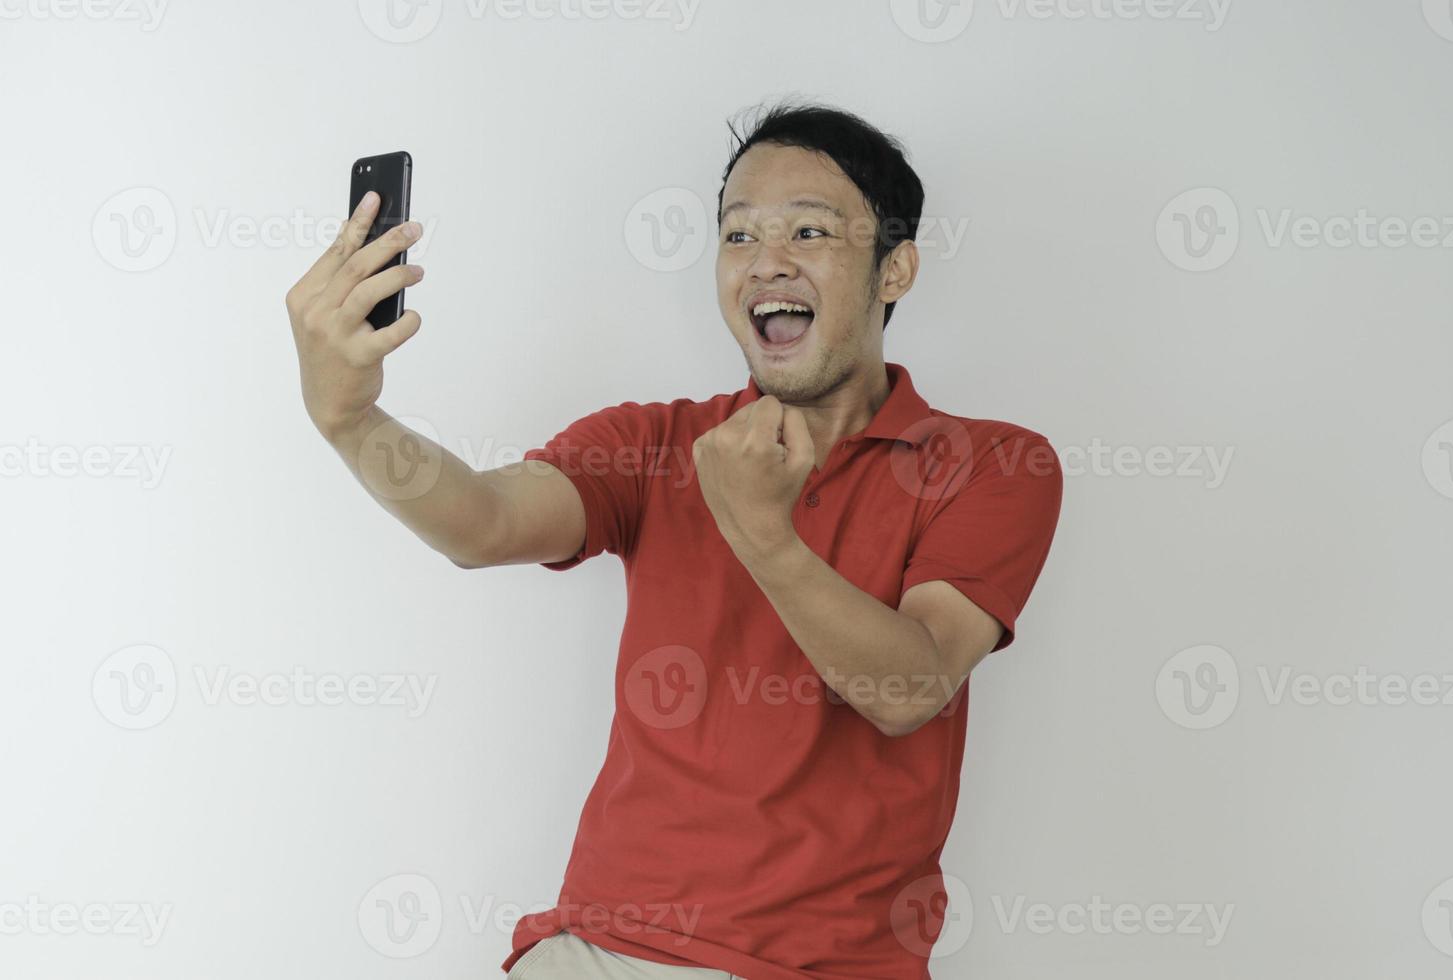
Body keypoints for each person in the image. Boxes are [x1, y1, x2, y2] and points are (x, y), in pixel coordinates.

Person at [285, 99, 1064, 980]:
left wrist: (764, 535)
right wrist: (350, 418)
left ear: (896, 268)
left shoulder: (993, 463)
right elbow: (482, 521)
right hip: (601, 954)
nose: (766, 262)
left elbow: (908, 687)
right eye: (737, 237)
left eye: (809, 232)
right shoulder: (653, 442)